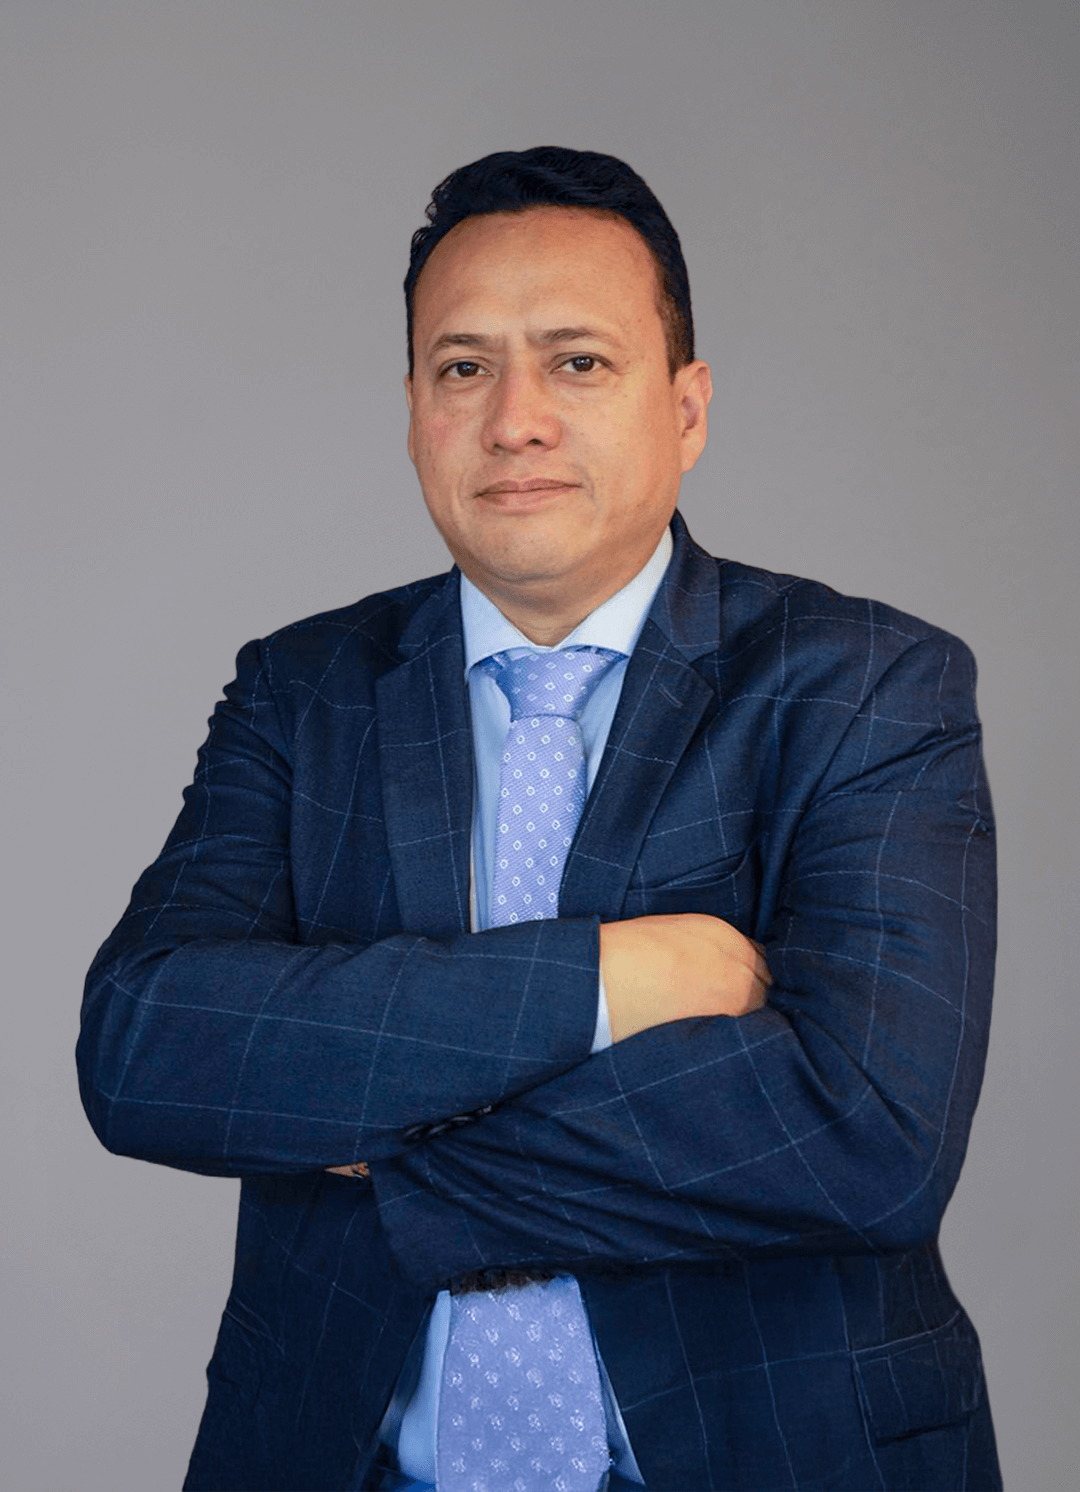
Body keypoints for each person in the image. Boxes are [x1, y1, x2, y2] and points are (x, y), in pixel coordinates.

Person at [77, 147, 1001, 1492]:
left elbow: (864, 1141)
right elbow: (147, 1048)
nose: (515, 419)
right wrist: (609, 982)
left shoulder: (865, 685)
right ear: (413, 410)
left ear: (686, 408)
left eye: (577, 361)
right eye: (464, 366)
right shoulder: (303, 690)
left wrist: (380, 1145)